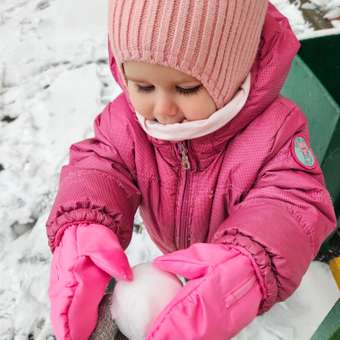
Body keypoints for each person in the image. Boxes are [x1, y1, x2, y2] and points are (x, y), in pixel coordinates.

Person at [46, 1, 337, 339]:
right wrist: (84, 222)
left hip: (238, 280)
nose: (163, 109)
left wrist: (250, 265)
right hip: (180, 250)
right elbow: (102, 165)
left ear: (234, 71)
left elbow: (291, 202)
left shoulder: (273, 132)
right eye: (143, 87)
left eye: (186, 89)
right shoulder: (129, 121)